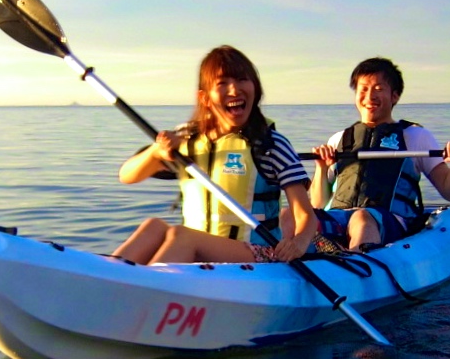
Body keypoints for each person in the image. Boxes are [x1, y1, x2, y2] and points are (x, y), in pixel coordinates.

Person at [113, 45, 318, 265]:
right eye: (223, 83)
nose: (234, 90)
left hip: (258, 256)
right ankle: (108, 279)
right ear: (205, 97)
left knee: (182, 236)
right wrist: (156, 151)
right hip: (197, 253)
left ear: (255, 89)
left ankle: (150, 290)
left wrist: (298, 243)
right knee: (153, 227)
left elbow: (306, 216)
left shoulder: (271, 145)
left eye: (242, 80)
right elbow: (127, 176)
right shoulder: (187, 140)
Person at [299, 57, 450, 251]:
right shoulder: (339, 139)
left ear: (394, 96)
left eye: (378, 89)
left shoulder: (415, 137)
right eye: (363, 89)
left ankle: (358, 264)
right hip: (339, 218)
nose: (369, 96)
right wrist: (322, 167)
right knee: (290, 215)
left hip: (390, 221)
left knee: (361, 217)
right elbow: (318, 203)